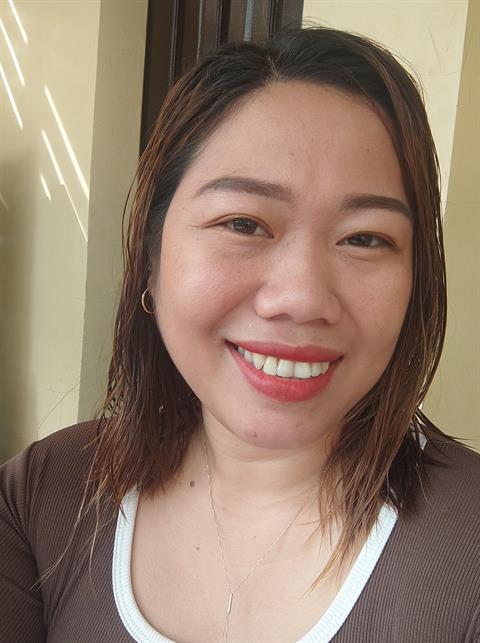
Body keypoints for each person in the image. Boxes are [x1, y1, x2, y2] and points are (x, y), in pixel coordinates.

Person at [1, 26, 479, 643]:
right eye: (244, 223)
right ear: (151, 258)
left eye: (365, 238)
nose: (302, 298)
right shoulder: (44, 497)